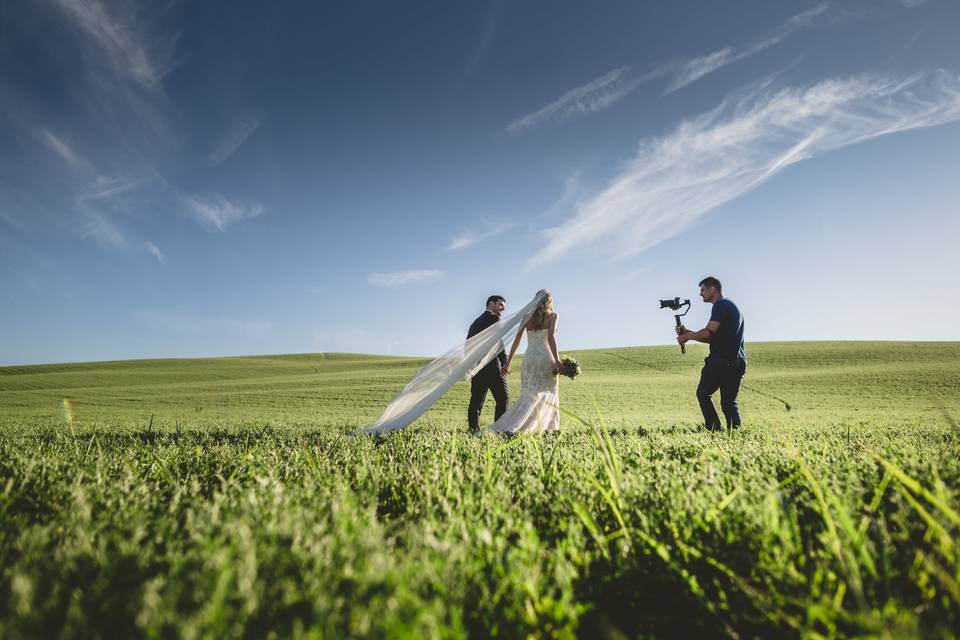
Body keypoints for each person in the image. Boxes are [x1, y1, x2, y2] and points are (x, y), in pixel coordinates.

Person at [677, 277, 746, 431]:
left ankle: (715, 431)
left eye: (702, 290)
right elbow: (712, 338)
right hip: (738, 361)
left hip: (721, 361)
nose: (700, 294)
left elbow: (709, 331)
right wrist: (690, 333)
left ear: (712, 289)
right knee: (728, 402)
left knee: (703, 393)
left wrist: (687, 336)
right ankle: (736, 434)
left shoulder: (720, 305)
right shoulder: (731, 306)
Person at [489, 290, 561, 434]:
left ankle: (516, 424)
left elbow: (517, 341)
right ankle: (547, 427)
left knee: (528, 393)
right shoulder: (553, 316)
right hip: (545, 358)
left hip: (529, 359)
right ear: (549, 301)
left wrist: (508, 363)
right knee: (548, 391)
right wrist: (558, 361)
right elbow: (551, 338)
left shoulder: (527, 317)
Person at [467, 295, 509, 432]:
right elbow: (499, 343)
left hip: (477, 368)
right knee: (503, 398)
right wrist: (505, 362)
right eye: (500, 305)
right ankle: (499, 429)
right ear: (491, 304)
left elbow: (468, 344)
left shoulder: (475, 322)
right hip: (492, 367)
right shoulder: (494, 318)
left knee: (476, 402)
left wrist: (472, 365)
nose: (503, 308)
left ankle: (474, 430)